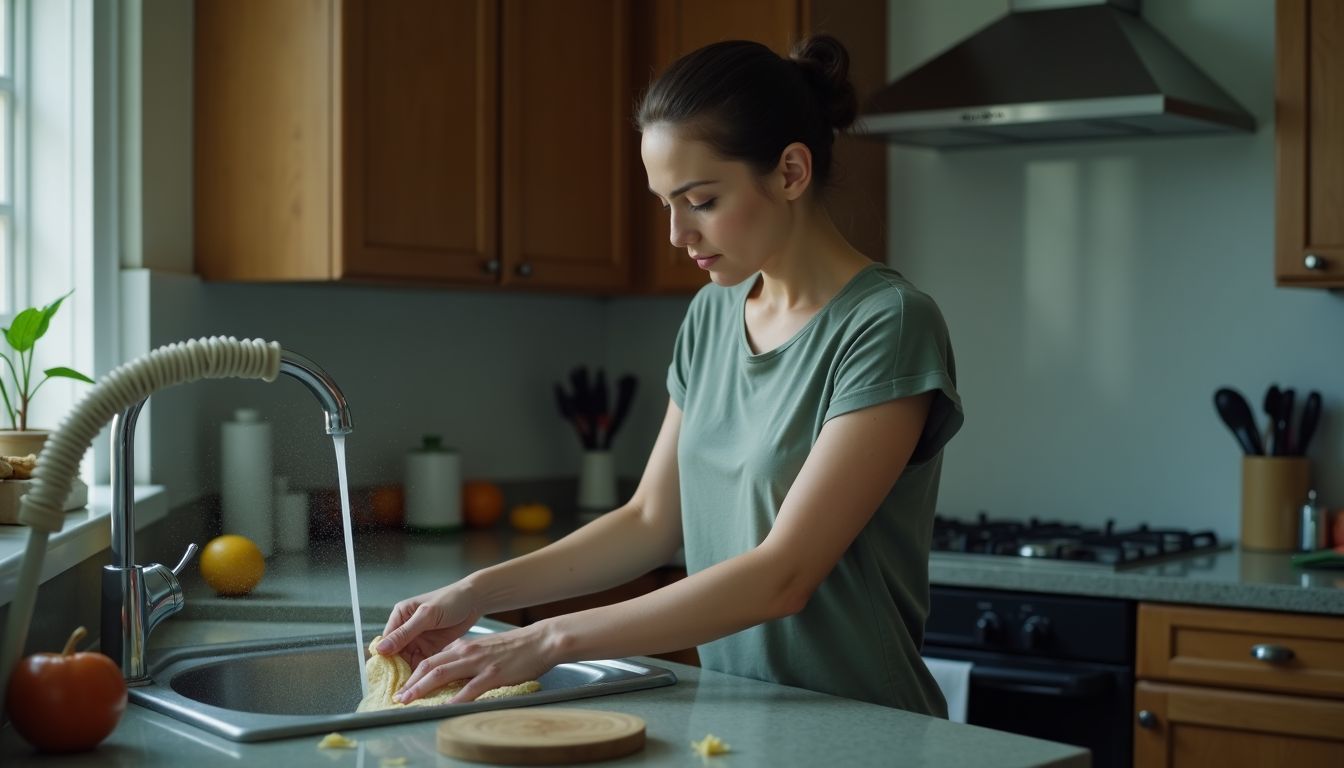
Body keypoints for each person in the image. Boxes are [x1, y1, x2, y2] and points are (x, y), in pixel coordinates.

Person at [376, 34, 964, 715]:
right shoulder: (712, 315)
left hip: (867, 729)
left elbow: (785, 576)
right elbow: (651, 520)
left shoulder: (888, 324)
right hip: (741, 716)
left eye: (702, 201)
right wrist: (476, 593)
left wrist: (548, 638)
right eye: (667, 204)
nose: (678, 235)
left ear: (791, 172)